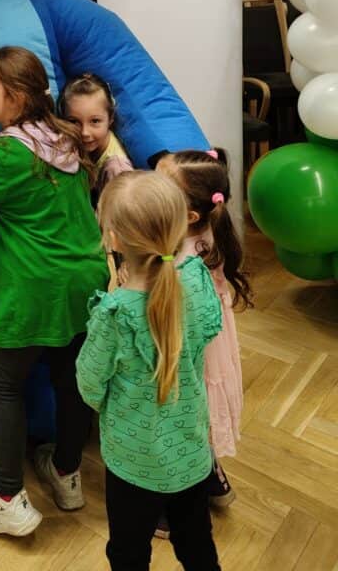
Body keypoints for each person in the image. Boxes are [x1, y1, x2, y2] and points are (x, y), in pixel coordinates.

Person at [0, 46, 110, 536]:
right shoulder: (63, 136)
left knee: (6, 384)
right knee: (70, 379)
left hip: (36, 287)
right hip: (84, 279)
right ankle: (67, 474)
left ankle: (7, 497)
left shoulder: (9, 152)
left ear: (14, 96)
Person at [77, 171, 223, 570]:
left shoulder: (114, 314)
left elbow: (89, 386)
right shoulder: (196, 278)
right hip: (192, 450)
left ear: (113, 239)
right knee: (197, 543)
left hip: (132, 461)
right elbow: (209, 329)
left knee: (128, 551)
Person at [156, 149, 252, 509]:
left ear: (189, 214)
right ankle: (213, 476)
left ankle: (179, 501)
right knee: (199, 415)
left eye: (160, 187)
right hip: (210, 344)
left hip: (190, 349)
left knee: (182, 418)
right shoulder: (210, 233)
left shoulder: (179, 259)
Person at [59, 73, 133, 205]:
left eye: (95, 121)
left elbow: (122, 214)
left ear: (110, 118)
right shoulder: (69, 143)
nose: (84, 133)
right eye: (74, 122)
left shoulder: (116, 170)